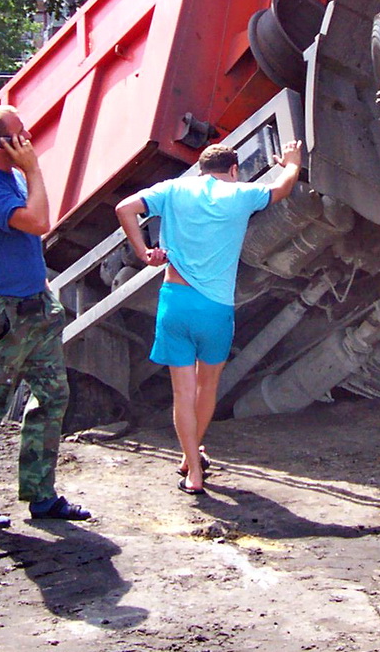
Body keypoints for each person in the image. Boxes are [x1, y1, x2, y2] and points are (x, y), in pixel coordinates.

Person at [115, 138, 303, 495]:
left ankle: (193, 472)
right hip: (216, 309)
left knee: (181, 392)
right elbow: (282, 189)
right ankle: (191, 455)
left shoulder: (173, 190)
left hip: (176, 302)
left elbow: (125, 208)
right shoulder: (241, 196)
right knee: (207, 386)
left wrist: (143, 251)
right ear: (233, 170)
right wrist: (291, 163)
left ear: (201, 169)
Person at [0, 105, 90, 530]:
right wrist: (33, 170)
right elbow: (40, 221)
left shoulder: (5, 178)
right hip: (3, 316)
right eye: (20, 133)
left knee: (52, 399)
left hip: (34, 307)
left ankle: (41, 496)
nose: (28, 138)